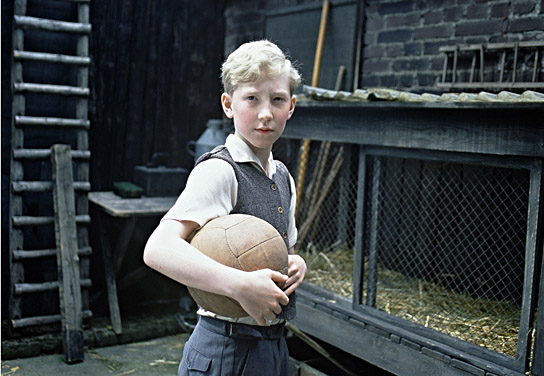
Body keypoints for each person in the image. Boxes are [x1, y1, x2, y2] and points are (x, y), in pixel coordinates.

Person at [143, 39, 307, 376]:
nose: (265, 112)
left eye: (277, 99)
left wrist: (295, 264)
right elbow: (158, 248)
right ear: (228, 104)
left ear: (290, 106)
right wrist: (239, 285)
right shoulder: (220, 170)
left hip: (274, 345)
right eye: (251, 98)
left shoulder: (283, 177)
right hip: (226, 348)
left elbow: (281, 250)